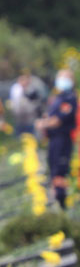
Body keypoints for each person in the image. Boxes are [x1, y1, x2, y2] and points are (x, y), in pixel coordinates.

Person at [36, 69, 77, 209]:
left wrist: (43, 124)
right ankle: (59, 202)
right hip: (54, 140)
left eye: (64, 78)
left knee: (60, 171)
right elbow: (51, 116)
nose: (60, 80)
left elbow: (59, 120)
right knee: (54, 170)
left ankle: (63, 203)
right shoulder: (58, 97)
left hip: (63, 140)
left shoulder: (69, 98)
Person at [9, 71, 44, 136]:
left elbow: (37, 104)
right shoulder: (16, 90)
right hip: (19, 120)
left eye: (24, 79)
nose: (23, 82)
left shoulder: (32, 90)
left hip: (30, 120)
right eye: (21, 79)